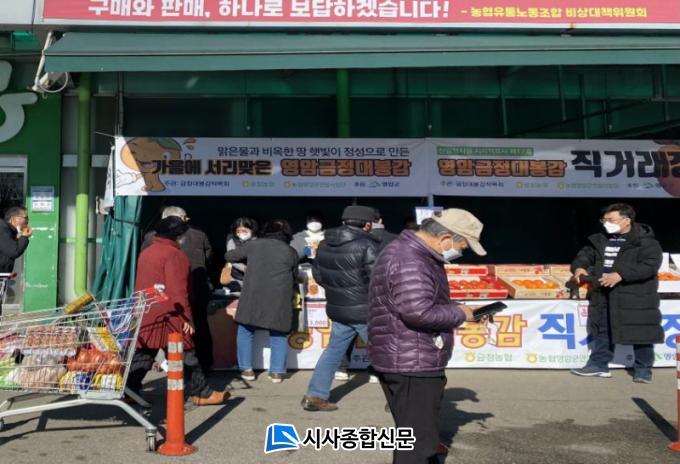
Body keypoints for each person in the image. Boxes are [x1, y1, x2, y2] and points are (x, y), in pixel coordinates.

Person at [368, 209, 486, 464]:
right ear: (445, 238)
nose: (461, 251)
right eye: (462, 246)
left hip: (407, 354)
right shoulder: (411, 260)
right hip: (412, 359)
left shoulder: (413, 253)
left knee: (415, 436)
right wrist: (460, 313)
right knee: (417, 445)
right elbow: (418, 312)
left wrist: (460, 310)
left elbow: (421, 302)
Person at [128, 216, 229, 406]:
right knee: (186, 352)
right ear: (179, 235)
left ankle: (129, 390)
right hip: (171, 313)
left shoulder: (147, 252)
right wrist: (187, 318)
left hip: (148, 310)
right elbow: (178, 290)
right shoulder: (175, 255)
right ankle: (202, 392)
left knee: (145, 351)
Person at [570, 203, 664, 383]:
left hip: (635, 295)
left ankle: (643, 369)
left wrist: (621, 275)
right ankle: (598, 365)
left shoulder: (646, 241)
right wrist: (579, 268)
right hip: (604, 293)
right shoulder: (600, 239)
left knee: (640, 331)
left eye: (611, 220)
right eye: (604, 220)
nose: (606, 223)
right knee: (603, 330)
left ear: (626, 220)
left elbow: (650, 265)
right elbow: (584, 256)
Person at [301, 205, 379, 411]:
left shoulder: (324, 242)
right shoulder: (368, 244)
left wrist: (338, 290)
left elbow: (318, 275)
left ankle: (314, 395)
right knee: (386, 354)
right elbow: (377, 280)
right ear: (367, 224)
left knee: (333, 352)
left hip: (339, 308)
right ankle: (402, 399)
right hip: (366, 310)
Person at [225, 220, 298, 384]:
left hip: (253, 295)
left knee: (245, 330)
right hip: (279, 297)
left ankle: (246, 369)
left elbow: (229, 256)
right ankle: (277, 372)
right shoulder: (290, 251)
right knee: (279, 333)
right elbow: (295, 275)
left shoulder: (254, 245)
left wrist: (247, 263)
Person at [142, 206, 214, 370]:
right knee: (198, 327)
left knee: (161, 331)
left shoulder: (151, 238)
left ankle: (177, 367)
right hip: (194, 288)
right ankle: (202, 366)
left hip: (164, 293)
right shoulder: (199, 235)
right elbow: (209, 257)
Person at [0, 207, 32, 315]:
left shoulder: (8, 231)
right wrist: (24, 237)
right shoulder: (2, 229)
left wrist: (19, 238)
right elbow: (13, 251)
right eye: (25, 218)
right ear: (14, 219)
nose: (27, 221)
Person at [224, 217, 258, 292]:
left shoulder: (258, 241)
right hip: (236, 277)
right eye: (238, 231)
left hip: (254, 278)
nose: (241, 233)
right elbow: (231, 258)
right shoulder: (232, 239)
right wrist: (244, 268)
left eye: (244, 231)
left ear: (252, 230)